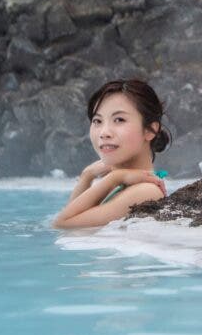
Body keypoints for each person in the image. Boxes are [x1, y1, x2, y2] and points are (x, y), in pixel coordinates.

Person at [51, 79, 172, 229]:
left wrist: (115, 177)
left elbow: (62, 225)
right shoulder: (123, 185)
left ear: (149, 130)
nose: (104, 133)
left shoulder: (146, 192)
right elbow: (73, 220)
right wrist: (87, 176)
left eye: (119, 119)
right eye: (97, 121)